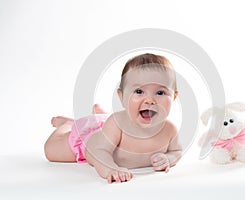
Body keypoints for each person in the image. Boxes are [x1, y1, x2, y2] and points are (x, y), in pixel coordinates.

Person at [44, 53, 182, 183]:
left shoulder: (169, 130)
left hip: (105, 128)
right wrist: (110, 168)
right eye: (139, 91)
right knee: (50, 151)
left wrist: (168, 159)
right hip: (86, 141)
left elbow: (176, 151)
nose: (150, 100)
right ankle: (67, 125)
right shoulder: (117, 124)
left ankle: (99, 116)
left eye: (160, 92)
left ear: (174, 97)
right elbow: (99, 151)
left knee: (105, 124)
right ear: (121, 97)